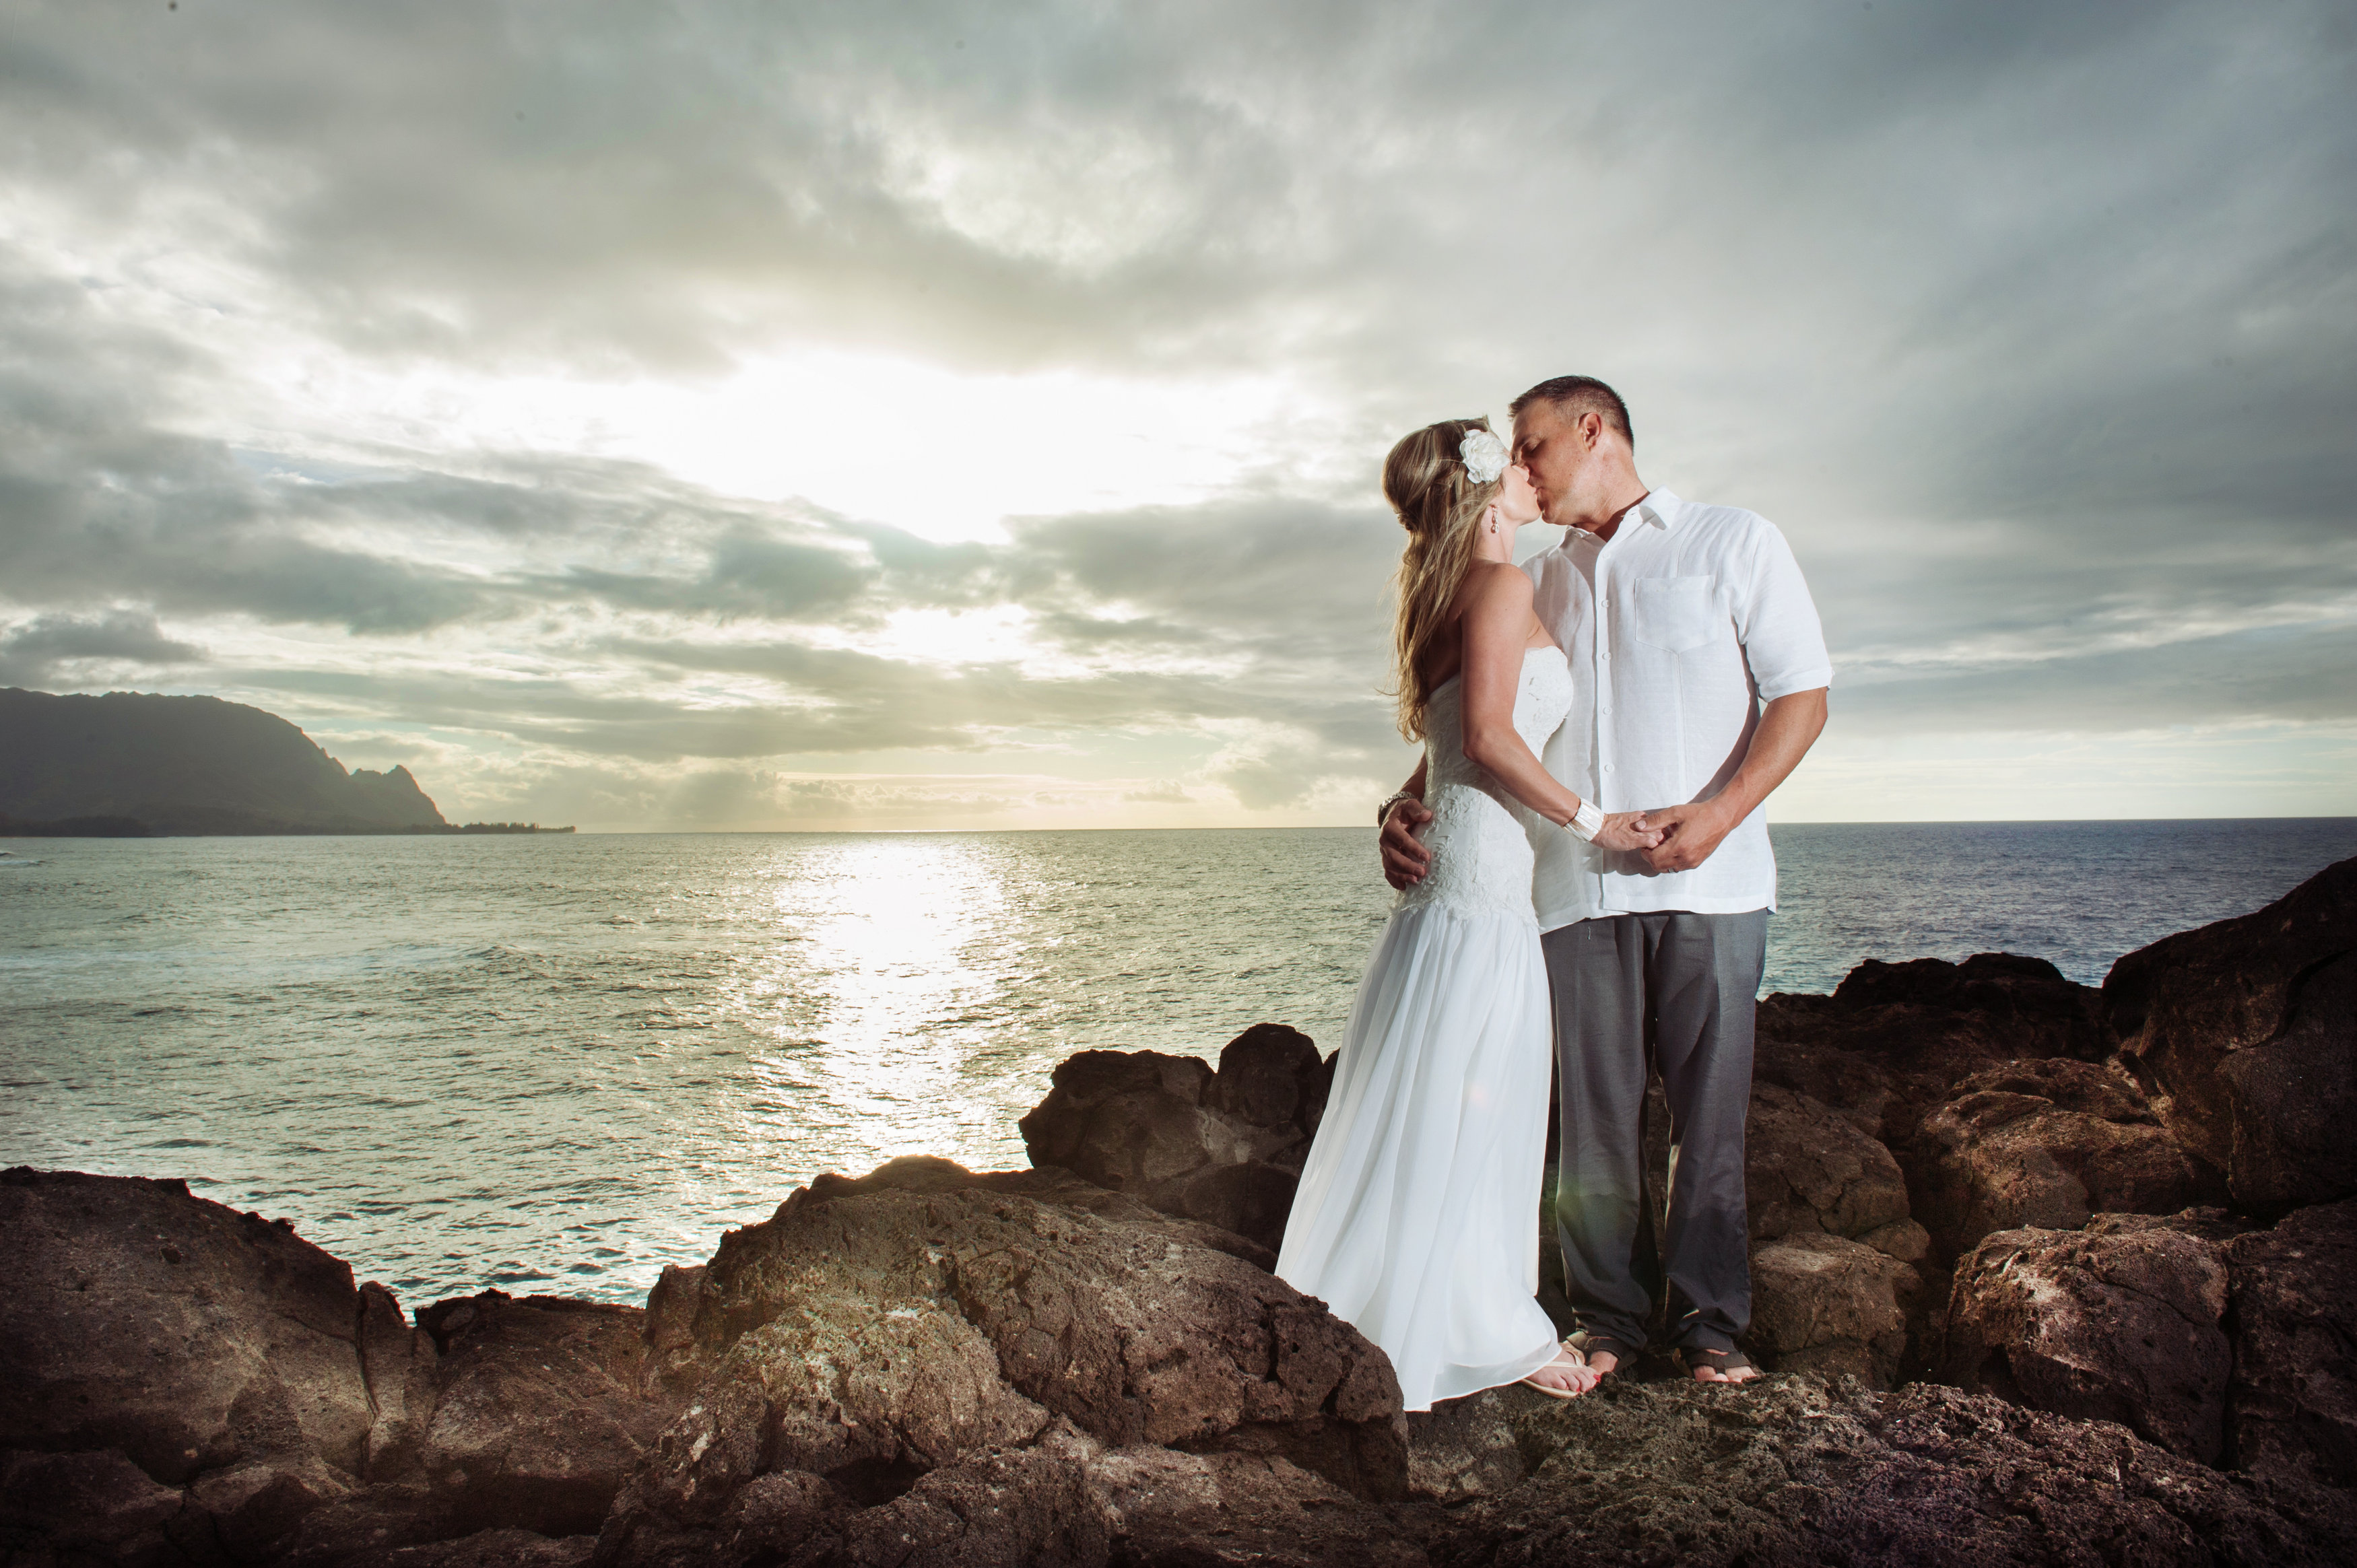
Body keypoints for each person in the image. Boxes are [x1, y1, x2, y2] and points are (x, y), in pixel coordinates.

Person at [1379, 376, 1831, 1387]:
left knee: (1710, 1117)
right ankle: (1609, 1321)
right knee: (1591, 1122)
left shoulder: (1733, 540)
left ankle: (1713, 1328)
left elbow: (1804, 694)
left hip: (1715, 884)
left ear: (1595, 431)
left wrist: (1719, 816)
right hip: (1575, 888)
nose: (1520, 466)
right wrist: (1402, 802)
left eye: (1532, 445)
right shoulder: (1534, 577)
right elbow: (1479, 719)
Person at [1275, 416, 1662, 1410]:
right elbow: (1486, 738)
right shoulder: (1500, 585)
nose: (1531, 469)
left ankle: (1441, 1305)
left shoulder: (1464, 589)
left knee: (1453, 1096)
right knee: (1472, 1097)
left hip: (1467, 883)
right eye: (1512, 456)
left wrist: (1399, 804)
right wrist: (1596, 820)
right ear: (1485, 485)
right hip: (1482, 886)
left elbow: (1446, 748)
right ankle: (1472, 1324)